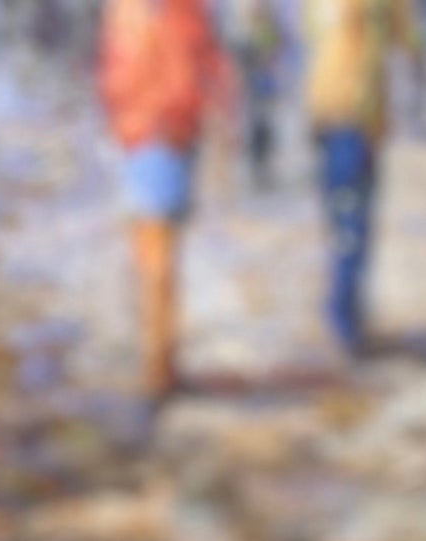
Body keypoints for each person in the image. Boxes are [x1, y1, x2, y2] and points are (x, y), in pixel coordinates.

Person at [98, 0, 227, 401]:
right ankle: (158, 368)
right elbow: (125, 72)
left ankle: (162, 361)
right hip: (156, 135)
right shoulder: (144, 10)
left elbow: (204, 61)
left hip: (165, 134)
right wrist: (160, 116)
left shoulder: (178, 9)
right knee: (156, 256)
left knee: (159, 254)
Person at [305, 0, 419, 354]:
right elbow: (407, 39)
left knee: (348, 221)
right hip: (349, 117)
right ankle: (345, 318)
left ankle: (346, 314)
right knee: (351, 223)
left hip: (342, 115)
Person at [228, 0, 288, 183]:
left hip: (263, 81)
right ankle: (255, 164)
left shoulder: (268, 21)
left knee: (263, 123)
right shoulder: (240, 20)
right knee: (251, 124)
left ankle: (263, 163)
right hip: (249, 81)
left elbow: (275, 44)